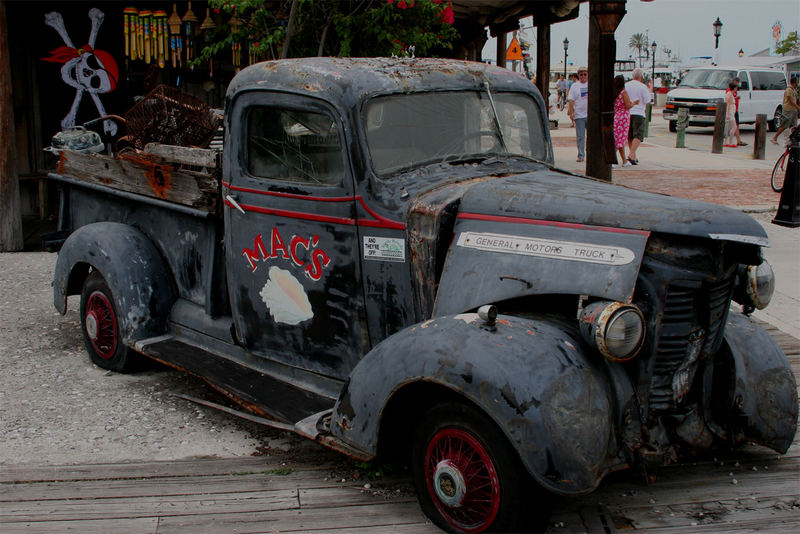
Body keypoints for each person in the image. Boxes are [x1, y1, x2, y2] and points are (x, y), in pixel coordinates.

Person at [624, 68, 652, 165]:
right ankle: (631, 155)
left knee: (630, 135)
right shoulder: (642, 87)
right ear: (641, 77)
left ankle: (633, 156)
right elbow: (648, 100)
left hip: (628, 112)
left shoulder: (626, 85)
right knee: (638, 135)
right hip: (639, 113)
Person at [613, 74, 638, 166]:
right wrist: (634, 103)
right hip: (623, 116)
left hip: (616, 115)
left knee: (617, 139)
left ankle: (624, 161)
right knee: (620, 139)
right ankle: (613, 160)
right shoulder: (623, 92)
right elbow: (627, 105)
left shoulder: (614, 93)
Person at [567, 66, 589, 162]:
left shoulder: (591, 84)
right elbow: (571, 100)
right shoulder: (574, 86)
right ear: (578, 75)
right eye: (581, 74)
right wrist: (571, 113)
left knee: (592, 136)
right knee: (580, 136)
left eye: (585, 74)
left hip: (590, 114)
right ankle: (581, 155)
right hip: (579, 115)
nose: (583, 76)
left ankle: (590, 153)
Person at [772, 75, 799, 144]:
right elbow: (791, 100)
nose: (797, 84)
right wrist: (798, 106)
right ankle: (775, 137)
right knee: (784, 125)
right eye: (797, 82)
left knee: (794, 126)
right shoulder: (789, 90)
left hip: (794, 110)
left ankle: (792, 139)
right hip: (788, 110)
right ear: (794, 83)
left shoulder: (794, 90)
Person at [731, 77, 746, 146]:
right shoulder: (730, 90)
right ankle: (730, 141)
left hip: (735, 109)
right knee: (733, 126)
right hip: (732, 110)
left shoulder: (735, 91)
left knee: (736, 126)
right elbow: (728, 98)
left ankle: (738, 140)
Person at [724, 80, 738, 148]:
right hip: (730, 113)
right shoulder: (729, 94)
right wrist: (728, 114)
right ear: (734, 88)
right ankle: (730, 142)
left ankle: (726, 141)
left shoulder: (730, 94)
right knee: (734, 127)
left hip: (731, 112)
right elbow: (728, 104)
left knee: (729, 127)